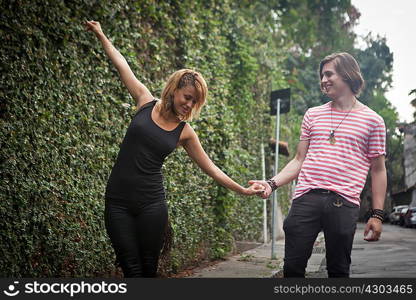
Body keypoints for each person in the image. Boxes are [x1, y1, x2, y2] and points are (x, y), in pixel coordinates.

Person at [85, 20, 263, 277]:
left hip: (152, 204)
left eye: (195, 101)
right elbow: (122, 65)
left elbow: (211, 169)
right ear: (174, 90)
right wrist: (101, 35)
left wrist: (242, 190)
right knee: (129, 267)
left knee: (148, 268)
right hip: (117, 202)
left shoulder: (185, 132)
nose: (189, 105)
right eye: (187, 97)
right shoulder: (145, 102)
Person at [249, 52, 387, 278]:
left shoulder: (373, 121)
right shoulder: (313, 115)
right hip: (306, 198)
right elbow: (298, 160)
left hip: (344, 202)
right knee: (292, 268)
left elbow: (378, 170)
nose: (323, 80)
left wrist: (377, 215)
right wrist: (271, 184)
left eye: (329, 74)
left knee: (338, 271)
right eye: (322, 75)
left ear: (348, 74)